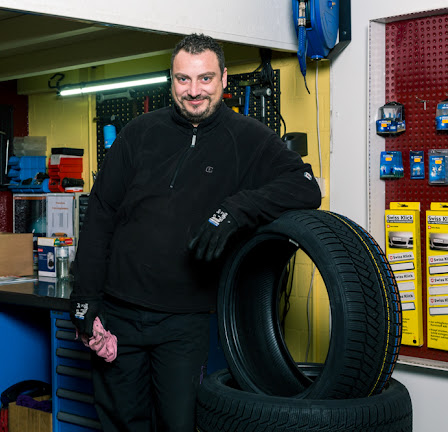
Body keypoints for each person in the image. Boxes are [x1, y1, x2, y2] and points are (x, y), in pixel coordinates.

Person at [70, 33, 322, 432]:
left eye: (205, 79)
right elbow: (100, 215)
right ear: (170, 81)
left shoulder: (248, 138)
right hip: (118, 315)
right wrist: (85, 299)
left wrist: (234, 210)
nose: (194, 91)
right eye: (183, 80)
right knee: (120, 423)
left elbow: (306, 186)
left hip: (184, 323)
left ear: (224, 78)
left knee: (181, 425)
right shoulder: (138, 133)